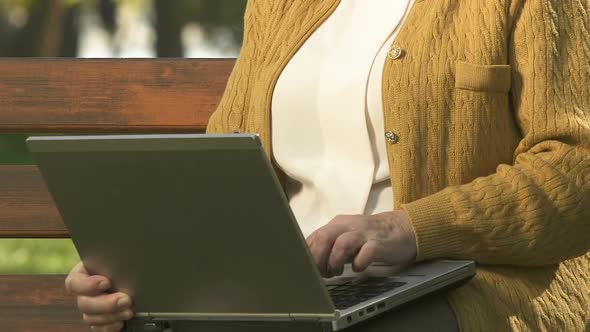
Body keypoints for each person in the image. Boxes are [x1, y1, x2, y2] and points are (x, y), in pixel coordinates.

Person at [65, 0, 590, 331]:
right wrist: (138, 269)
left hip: (469, 285)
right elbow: (223, 170)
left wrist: (410, 228)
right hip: (281, 288)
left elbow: (576, 167)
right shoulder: (279, 6)